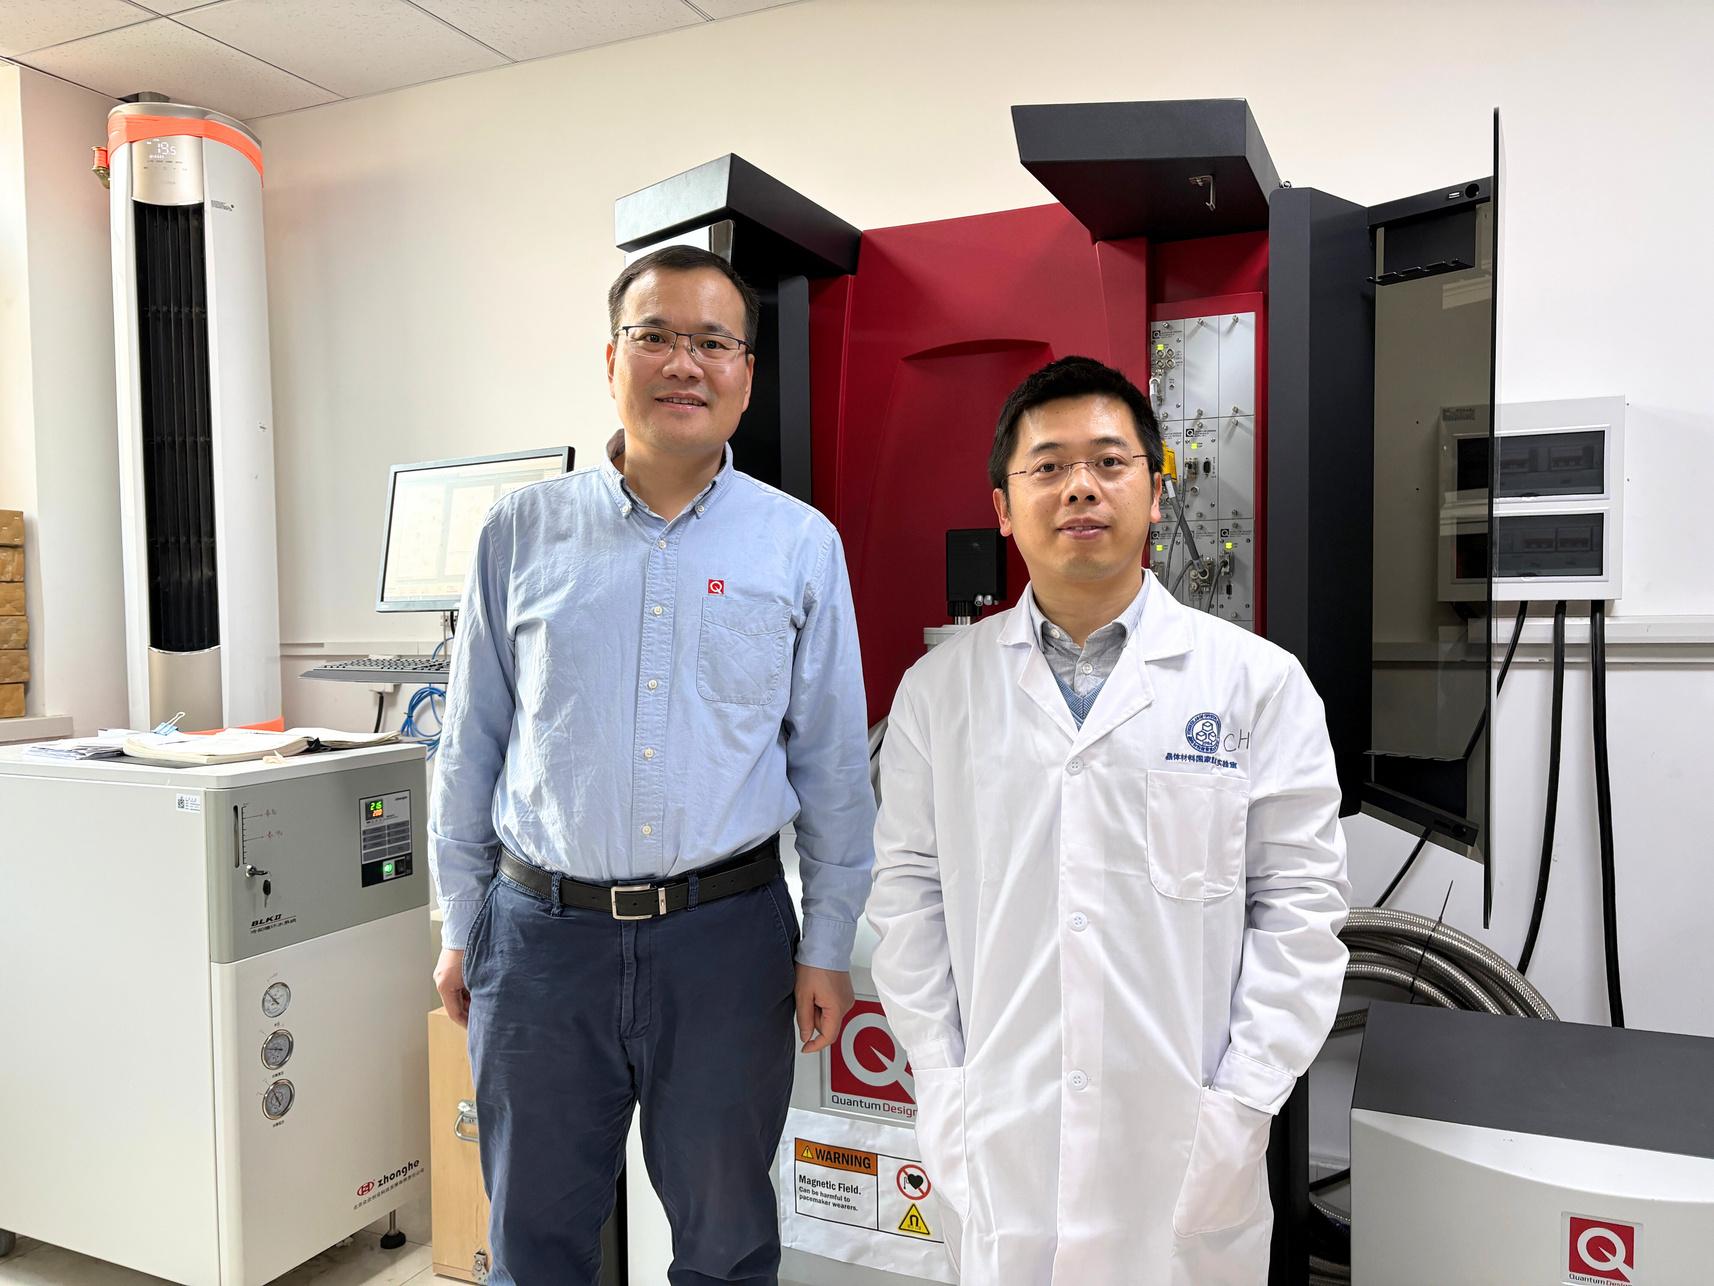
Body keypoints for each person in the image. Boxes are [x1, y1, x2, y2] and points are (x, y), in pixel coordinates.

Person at [429, 245, 875, 1285]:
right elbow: (470, 746)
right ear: (611, 359)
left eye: (713, 342)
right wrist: (462, 925)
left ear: (745, 374)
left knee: (726, 1247)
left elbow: (832, 768)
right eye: (657, 336)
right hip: (540, 943)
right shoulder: (520, 532)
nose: (685, 362)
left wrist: (827, 945)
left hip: (726, 944)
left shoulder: (799, 544)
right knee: (534, 1247)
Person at [868, 355, 1350, 1285]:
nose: (1080, 487)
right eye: (1047, 466)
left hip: (1184, 1141)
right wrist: (944, 1080)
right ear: (1004, 508)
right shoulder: (936, 693)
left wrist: (1242, 1104)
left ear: (1157, 493)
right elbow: (909, 900)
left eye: (1109, 462)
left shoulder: (1258, 684)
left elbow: (1300, 909)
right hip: (1000, 1136)